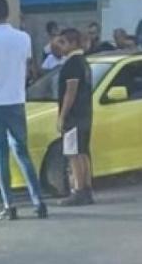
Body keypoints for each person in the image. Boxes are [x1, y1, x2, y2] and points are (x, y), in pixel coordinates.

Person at [0, 0, 47, 220]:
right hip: (16, 100)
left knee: (1, 154)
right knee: (22, 152)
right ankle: (38, 202)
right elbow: (28, 69)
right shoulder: (23, 38)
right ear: (8, 13)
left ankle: (9, 205)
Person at [55, 28, 95, 206]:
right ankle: (87, 188)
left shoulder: (72, 64)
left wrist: (62, 116)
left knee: (74, 153)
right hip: (85, 113)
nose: (60, 46)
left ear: (72, 43)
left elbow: (70, 92)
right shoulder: (83, 62)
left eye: (63, 42)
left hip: (74, 116)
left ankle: (78, 190)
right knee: (83, 152)